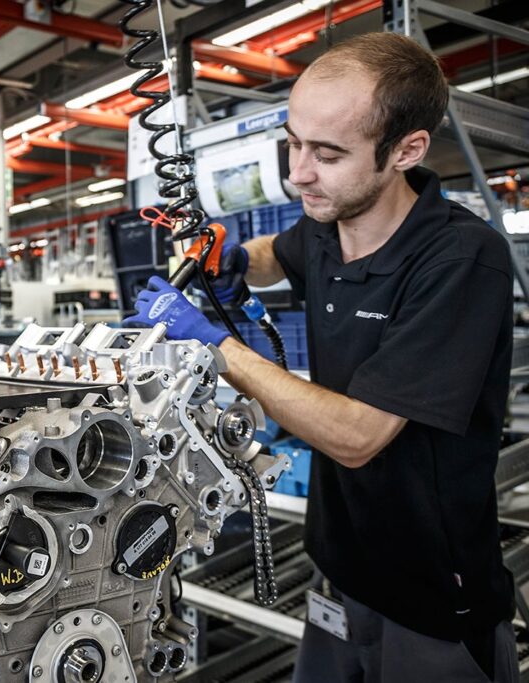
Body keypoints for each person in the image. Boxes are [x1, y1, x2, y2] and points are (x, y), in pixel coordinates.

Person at [126, 32, 517, 682]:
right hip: (338, 573)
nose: (297, 173)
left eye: (327, 154)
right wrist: (232, 260)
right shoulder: (328, 225)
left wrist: (215, 344)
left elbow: (357, 435)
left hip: (433, 601)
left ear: (406, 150)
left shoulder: (460, 262)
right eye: (293, 142)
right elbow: (278, 253)